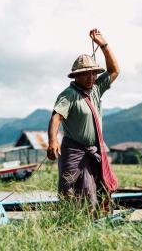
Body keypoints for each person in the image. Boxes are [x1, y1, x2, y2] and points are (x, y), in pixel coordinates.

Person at [47, 28, 119, 211]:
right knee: (70, 191)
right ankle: (70, 222)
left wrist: (103, 44)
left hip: (93, 150)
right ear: (76, 76)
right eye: (86, 74)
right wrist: (53, 141)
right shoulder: (69, 95)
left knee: (96, 190)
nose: (91, 77)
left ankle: (95, 221)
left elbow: (114, 71)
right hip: (74, 151)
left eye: (93, 73)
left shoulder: (95, 89)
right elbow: (56, 117)